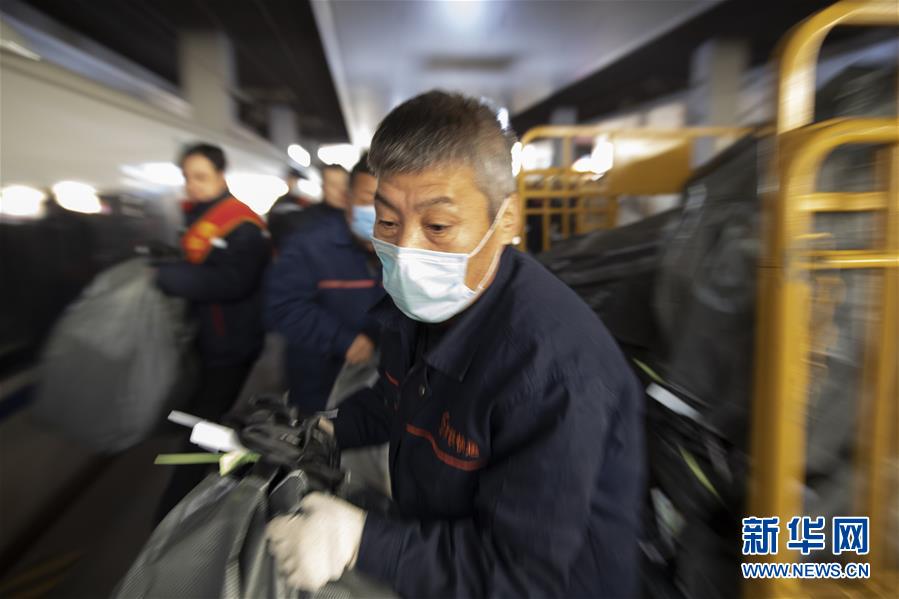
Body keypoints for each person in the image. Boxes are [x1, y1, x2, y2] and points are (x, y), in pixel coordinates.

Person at [265, 92, 645, 597]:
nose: (405, 252)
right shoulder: (419, 306)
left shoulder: (553, 373)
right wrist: (323, 429)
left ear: (506, 220)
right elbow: (396, 398)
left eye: (438, 226)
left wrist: (359, 541)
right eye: (387, 221)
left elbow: (520, 574)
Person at [154, 142, 270, 521]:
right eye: (187, 177)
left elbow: (234, 282)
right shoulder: (198, 215)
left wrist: (168, 277)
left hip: (230, 343)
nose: (193, 184)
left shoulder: (243, 225)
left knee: (203, 423)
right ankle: (234, 481)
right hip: (209, 340)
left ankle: (175, 512)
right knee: (209, 419)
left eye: (201, 177)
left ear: (221, 175)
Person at [265, 155, 384, 413]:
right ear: (347, 198)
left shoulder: (401, 248)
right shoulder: (309, 244)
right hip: (319, 377)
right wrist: (342, 339)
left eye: (386, 202)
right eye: (368, 199)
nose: (378, 210)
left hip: (380, 380)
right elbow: (284, 305)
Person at [267, 168, 313, 250]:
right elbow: (271, 219)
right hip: (278, 244)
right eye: (290, 179)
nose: (292, 183)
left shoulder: (304, 203)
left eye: (295, 180)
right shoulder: (281, 201)